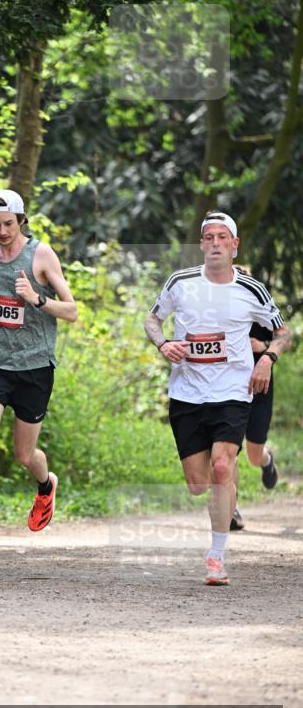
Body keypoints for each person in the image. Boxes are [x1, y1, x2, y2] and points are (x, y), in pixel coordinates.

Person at [144, 212, 291, 586]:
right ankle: (226, 486)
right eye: (207, 237)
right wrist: (163, 343)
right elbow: (152, 320)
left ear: (234, 244)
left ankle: (216, 557)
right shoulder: (181, 283)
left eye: (222, 237)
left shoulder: (252, 289)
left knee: (222, 467)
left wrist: (268, 360)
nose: (214, 243)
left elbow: (283, 332)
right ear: (201, 244)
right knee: (198, 484)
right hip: (187, 392)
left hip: (232, 391)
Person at [0, 189, 78, 566]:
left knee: (25, 454)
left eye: (9, 224)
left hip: (34, 368)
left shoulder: (40, 255)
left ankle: (45, 485)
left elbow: (71, 311)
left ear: (22, 220)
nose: (2, 231)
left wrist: (36, 299)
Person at [230, 320, 279, 531]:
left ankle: (266, 459)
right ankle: (231, 508)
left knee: (254, 455)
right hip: (227, 385)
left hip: (259, 386)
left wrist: (264, 347)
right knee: (228, 449)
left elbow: (284, 337)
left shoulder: (257, 297)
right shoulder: (214, 300)